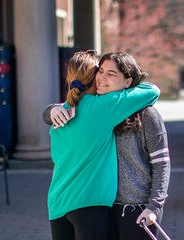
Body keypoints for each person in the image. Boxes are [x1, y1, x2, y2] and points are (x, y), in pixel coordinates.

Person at [45, 52, 170, 240]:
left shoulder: (146, 114)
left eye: (110, 74)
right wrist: (51, 110)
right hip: (98, 207)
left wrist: (154, 206)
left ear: (127, 82)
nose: (102, 78)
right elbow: (152, 90)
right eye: (100, 71)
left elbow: (162, 163)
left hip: (132, 208)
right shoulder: (102, 108)